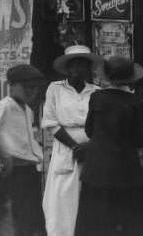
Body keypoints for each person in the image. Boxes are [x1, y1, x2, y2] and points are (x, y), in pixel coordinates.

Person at [74, 56, 143, 236]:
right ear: (130, 78)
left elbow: (89, 131)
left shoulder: (96, 98)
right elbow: (139, 139)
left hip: (97, 170)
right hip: (127, 172)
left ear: (107, 77)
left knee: (95, 223)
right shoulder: (135, 102)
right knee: (130, 224)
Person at [42, 44, 101, 236]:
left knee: (89, 199)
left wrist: (88, 147)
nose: (77, 70)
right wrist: (75, 146)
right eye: (73, 65)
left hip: (91, 151)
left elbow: (102, 126)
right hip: (66, 151)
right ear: (67, 69)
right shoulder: (55, 89)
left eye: (82, 65)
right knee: (62, 201)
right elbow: (51, 122)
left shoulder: (96, 92)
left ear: (88, 69)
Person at [0, 64, 46, 236]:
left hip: (29, 169)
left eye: (34, 88)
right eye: (27, 87)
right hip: (13, 170)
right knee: (15, 215)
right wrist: (4, 156)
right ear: (12, 86)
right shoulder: (5, 105)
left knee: (30, 214)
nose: (31, 92)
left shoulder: (28, 110)